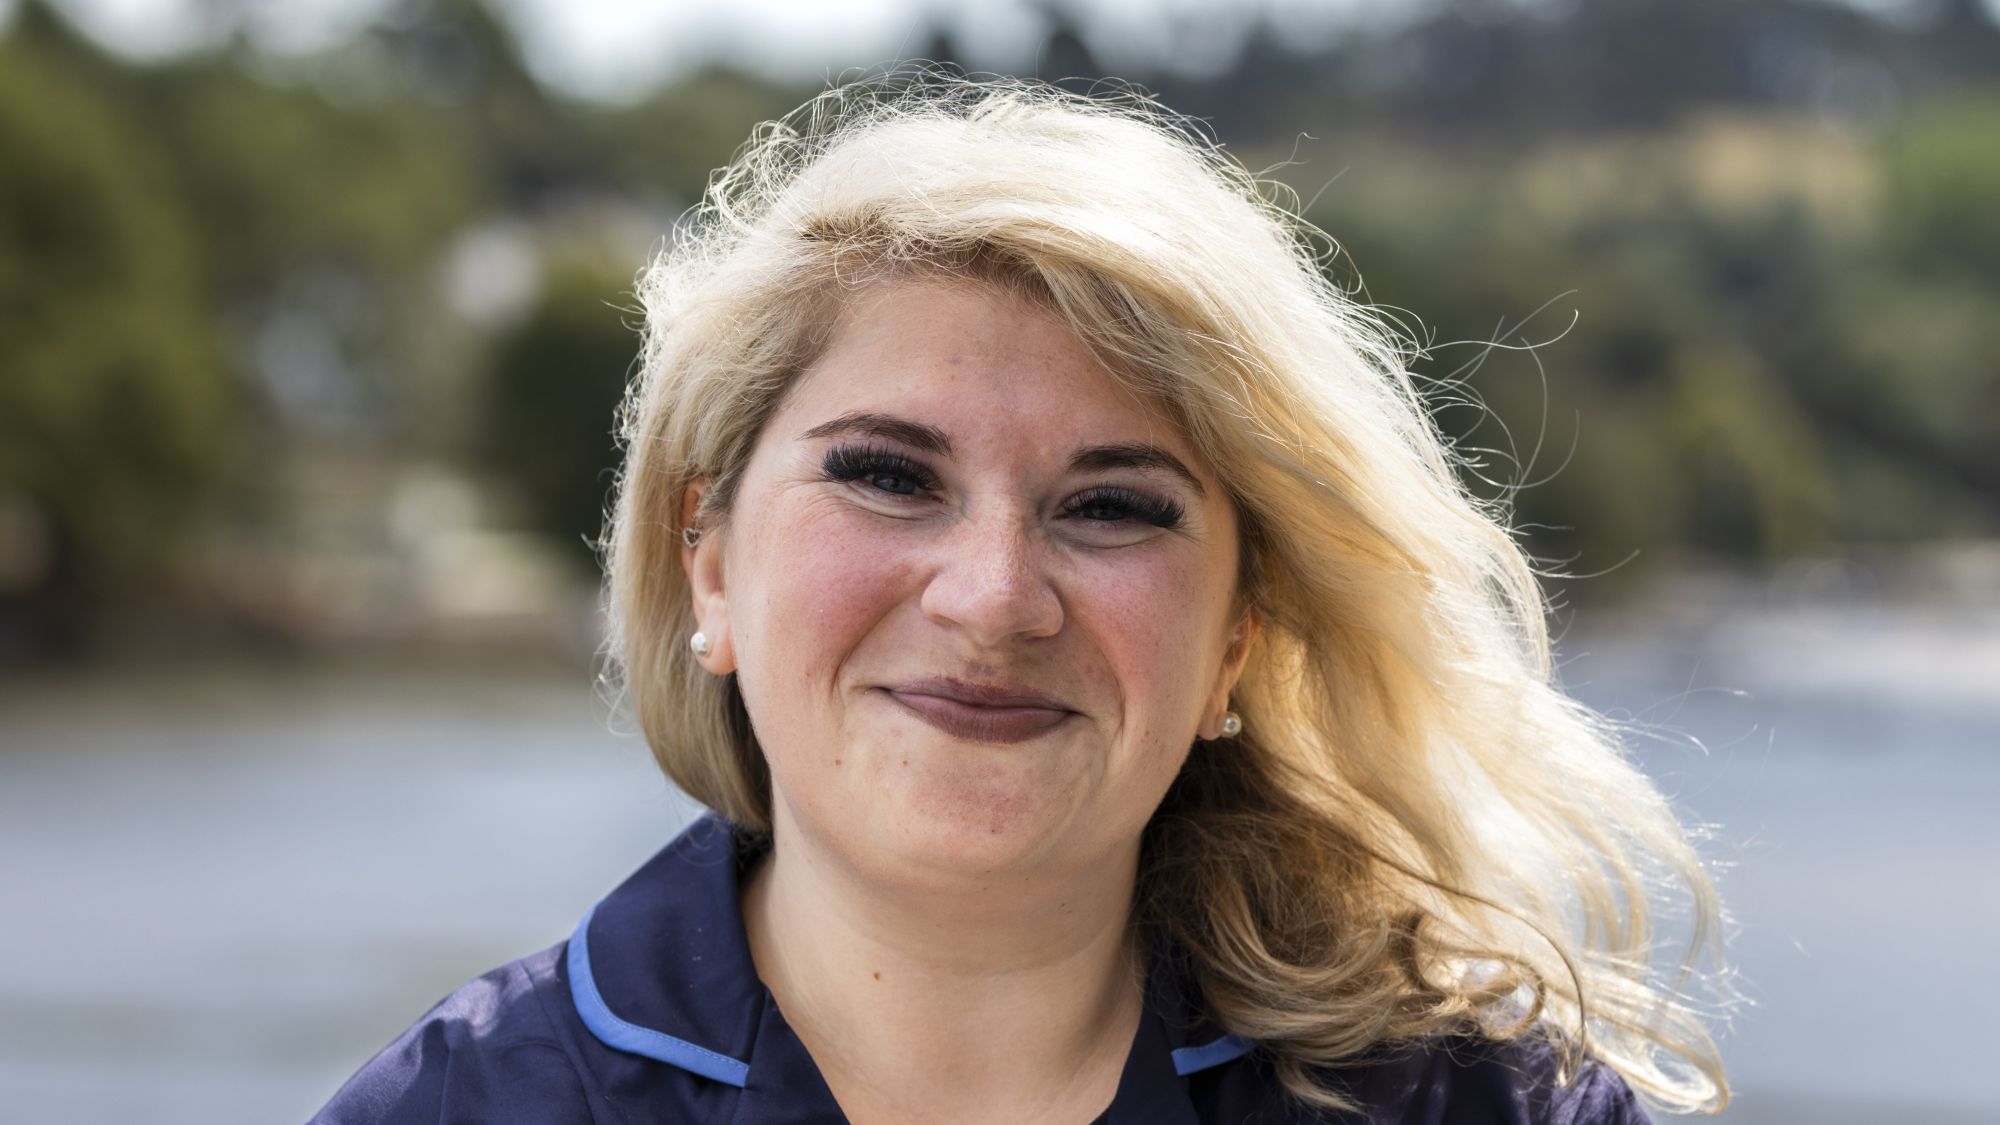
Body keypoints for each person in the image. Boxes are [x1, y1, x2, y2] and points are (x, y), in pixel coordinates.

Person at [312, 72, 1729, 1123]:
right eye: (887, 476)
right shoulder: (457, 1109)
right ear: (712, 562)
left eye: (1113, 506)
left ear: (1235, 637)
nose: (994, 599)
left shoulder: (1476, 1109)